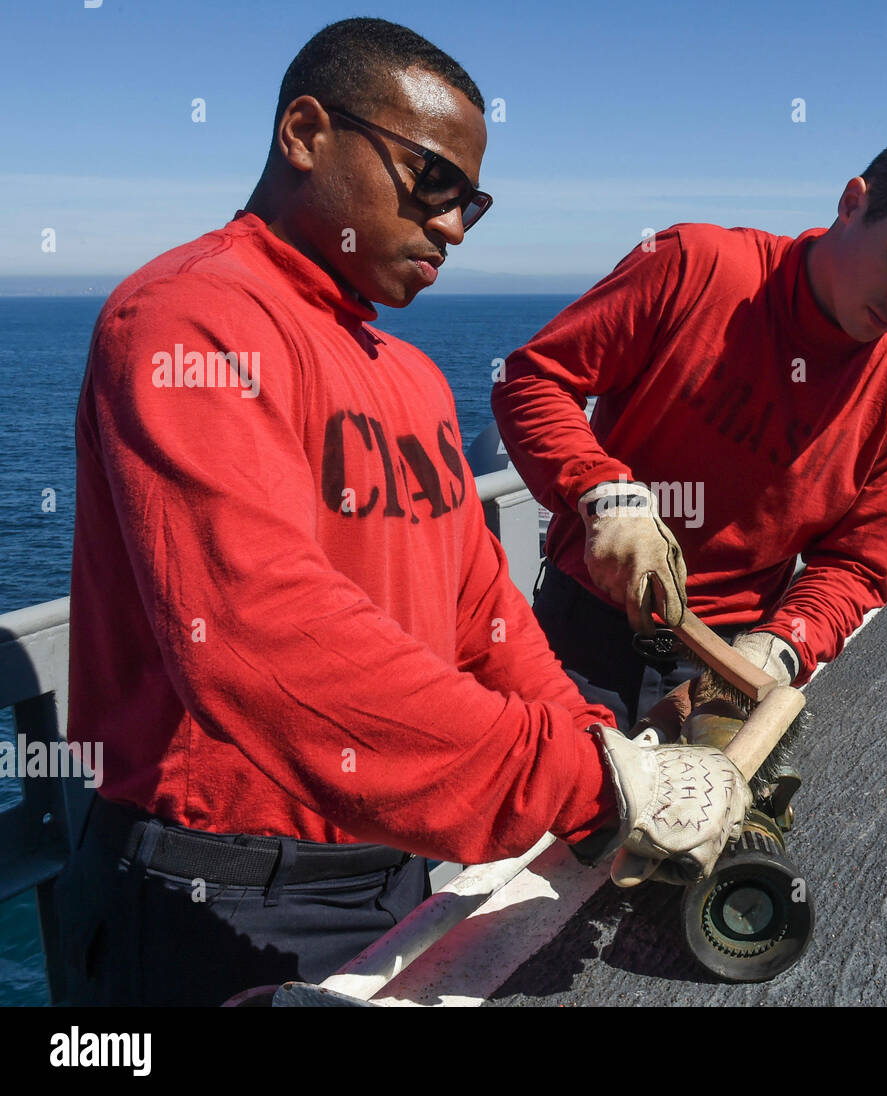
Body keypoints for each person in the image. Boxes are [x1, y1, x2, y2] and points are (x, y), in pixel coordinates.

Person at [57, 17, 747, 1008]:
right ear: (304, 131)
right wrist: (584, 783)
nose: (454, 227)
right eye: (431, 183)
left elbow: (485, 618)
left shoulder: (412, 376)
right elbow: (260, 633)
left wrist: (598, 741)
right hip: (212, 893)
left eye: (473, 202)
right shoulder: (187, 318)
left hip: (397, 867)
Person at [493, 129, 887, 733]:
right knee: (552, 820)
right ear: (852, 203)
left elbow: (857, 563)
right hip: (581, 630)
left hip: (733, 659)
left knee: (711, 826)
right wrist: (604, 495)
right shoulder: (693, 265)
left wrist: (779, 648)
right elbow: (533, 379)